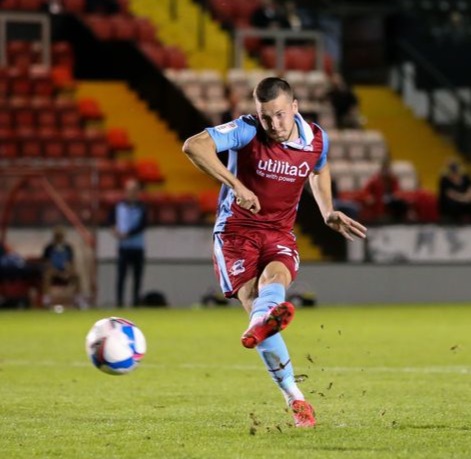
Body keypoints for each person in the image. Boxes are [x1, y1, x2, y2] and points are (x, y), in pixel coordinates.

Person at [182, 77, 367, 427]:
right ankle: (293, 395)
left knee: (277, 279)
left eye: (280, 115)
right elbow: (194, 146)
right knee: (256, 300)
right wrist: (236, 186)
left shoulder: (315, 138)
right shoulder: (247, 130)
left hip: (279, 232)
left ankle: (262, 327)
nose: (274, 124)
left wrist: (327, 209)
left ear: (294, 107)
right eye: (266, 116)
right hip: (235, 233)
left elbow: (319, 167)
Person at [110, 178, 148, 307]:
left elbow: (143, 225)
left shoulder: (142, 207)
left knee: (137, 276)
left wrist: (128, 234)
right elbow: (111, 220)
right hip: (124, 247)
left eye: (134, 190)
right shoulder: (118, 206)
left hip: (137, 247)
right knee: (121, 276)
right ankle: (119, 302)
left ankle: (135, 302)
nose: (132, 193)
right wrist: (114, 230)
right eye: (129, 190)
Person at [42, 226, 82, 308]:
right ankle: (47, 300)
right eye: (57, 236)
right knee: (46, 276)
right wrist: (55, 272)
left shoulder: (68, 248)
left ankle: (78, 300)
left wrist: (68, 271)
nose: (59, 238)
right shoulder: (49, 248)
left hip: (65, 271)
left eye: (60, 236)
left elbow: (72, 263)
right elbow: (47, 263)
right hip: (53, 272)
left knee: (77, 276)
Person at [361, 158, 409, 223]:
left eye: (388, 170)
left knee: (401, 203)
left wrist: (397, 195)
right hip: (378, 198)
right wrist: (369, 196)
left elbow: (397, 190)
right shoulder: (375, 180)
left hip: (391, 198)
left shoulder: (393, 179)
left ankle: (399, 220)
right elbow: (366, 191)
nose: (386, 172)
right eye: (385, 171)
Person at [438, 157, 471, 223]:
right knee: (453, 204)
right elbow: (450, 194)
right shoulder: (445, 180)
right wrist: (463, 199)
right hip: (451, 206)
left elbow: (469, 191)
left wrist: (465, 198)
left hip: (464, 201)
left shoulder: (465, 178)